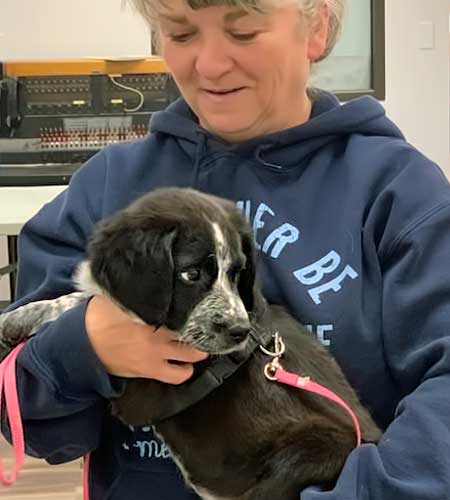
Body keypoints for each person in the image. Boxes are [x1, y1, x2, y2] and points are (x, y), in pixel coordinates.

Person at [2, 0, 450, 498]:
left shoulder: (400, 193)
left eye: (243, 33)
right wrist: (84, 349)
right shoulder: (106, 190)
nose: (210, 65)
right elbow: (32, 420)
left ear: (316, 28)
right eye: (181, 33)